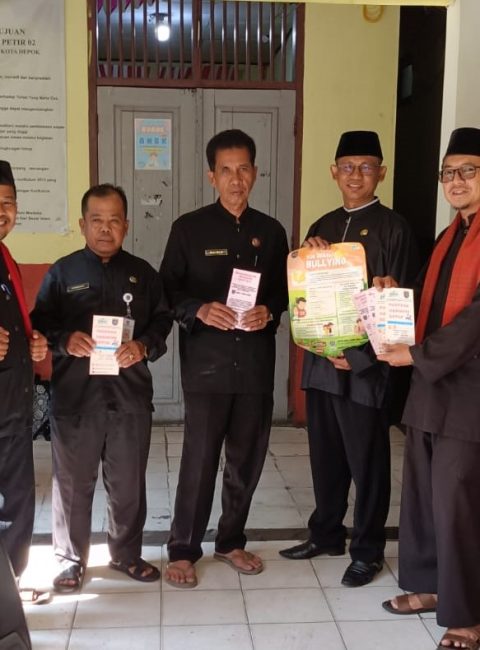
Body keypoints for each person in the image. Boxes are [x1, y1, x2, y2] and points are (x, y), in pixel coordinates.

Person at [280, 131, 416, 587]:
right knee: (326, 457)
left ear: (382, 173)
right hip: (322, 363)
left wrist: (360, 357)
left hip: (365, 370)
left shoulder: (394, 228)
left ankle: (368, 549)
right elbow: (305, 290)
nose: (356, 175)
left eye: (366, 167)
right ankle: (326, 534)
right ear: (333, 172)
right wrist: (306, 256)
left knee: (368, 463)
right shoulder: (322, 224)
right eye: (347, 167)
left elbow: (400, 304)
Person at [160, 129, 289, 588]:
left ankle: (231, 540)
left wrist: (269, 310)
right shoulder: (189, 229)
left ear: (255, 173)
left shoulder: (271, 232)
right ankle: (183, 548)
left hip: (254, 365)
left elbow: (284, 291)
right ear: (211, 176)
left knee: (246, 460)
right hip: (207, 367)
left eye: (244, 169)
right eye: (226, 170)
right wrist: (198, 309)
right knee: (199, 460)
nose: (236, 179)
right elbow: (166, 291)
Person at [31, 183, 172, 593]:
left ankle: (126, 553)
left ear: (126, 225)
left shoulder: (143, 274)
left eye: (114, 220)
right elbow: (39, 322)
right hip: (76, 398)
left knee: (128, 484)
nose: (105, 229)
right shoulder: (62, 273)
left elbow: (162, 321)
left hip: (130, 398)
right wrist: (65, 340)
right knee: (73, 486)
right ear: (82, 225)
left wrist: (143, 346)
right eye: (97, 220)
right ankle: (69, 560)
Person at [379, 127, 480, 649]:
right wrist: (393, 294)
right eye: (448, 172)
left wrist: (418, 355)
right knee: (421, 494)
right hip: (430, 390)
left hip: (469, 393)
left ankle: (467, 616)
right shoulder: (450, 235)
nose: (456, 181)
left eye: (469, 171)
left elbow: (476, 319)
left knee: (458, 499)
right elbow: (426, 296)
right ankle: (428, 586)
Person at [0, 160, 49, 604]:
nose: (2, 212)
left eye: (8, 202)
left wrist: (30, 341)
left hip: (12, 404)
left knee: (17, 499)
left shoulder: (5, 258)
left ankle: (10, 585)